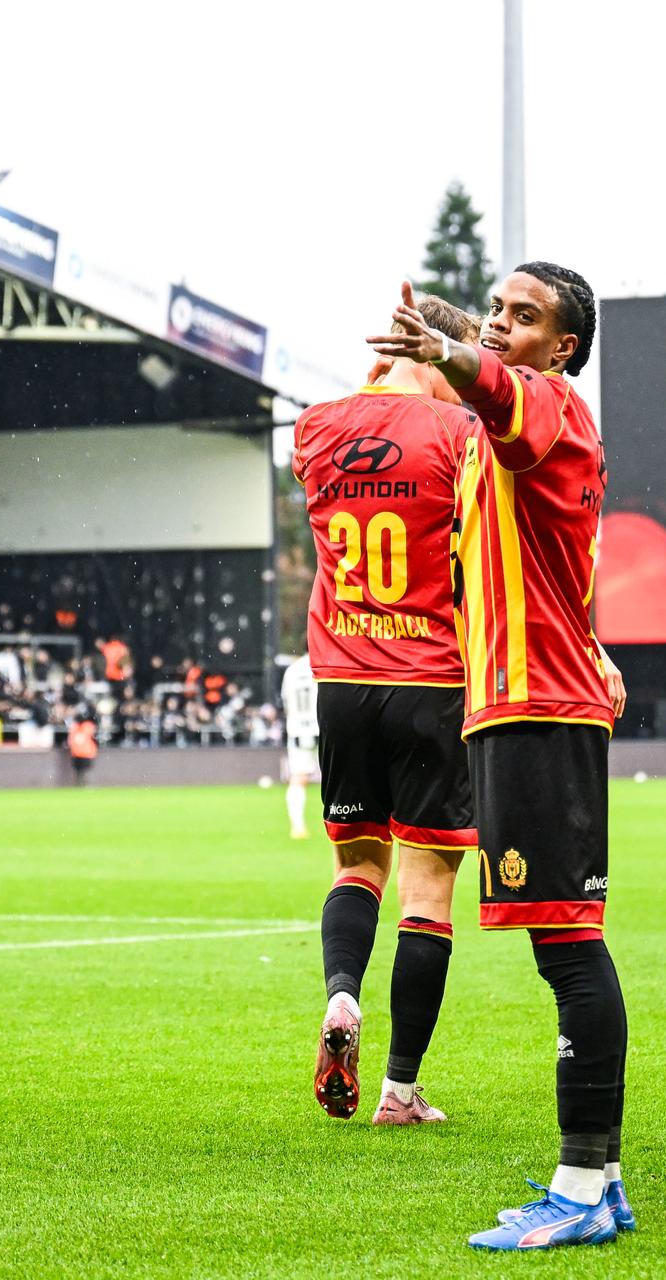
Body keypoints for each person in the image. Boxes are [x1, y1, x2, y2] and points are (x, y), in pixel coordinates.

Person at [369, 266, 628, 1249]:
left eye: (527, 316)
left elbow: (489, 380)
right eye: (497, 311)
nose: (503, 326)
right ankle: (597, 1174)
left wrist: (446, 348)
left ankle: (582, 1181)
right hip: (524, 705)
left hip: (538, 708)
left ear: (563, 346)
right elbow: (478, 368)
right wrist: (437, 326)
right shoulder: (516, 416)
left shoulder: (547, 403)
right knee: (565, 941)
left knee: (568, 944)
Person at [295, 294, 482, 1128]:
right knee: (429, 891)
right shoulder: (460, 437)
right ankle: (400, 1091)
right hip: (432, 678)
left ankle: (343, 999)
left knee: (355, 867)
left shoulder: (315, 428)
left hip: (342, 679)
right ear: (440, 357)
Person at [280, 654, 320, 841]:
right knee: (339, 777)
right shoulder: (321, 663)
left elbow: (286, 703)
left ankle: (297, 826)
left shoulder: (292, 670)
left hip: (297, 730)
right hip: (322, 728)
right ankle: (345, 821)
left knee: (298, 779)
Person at [66, 708, 97, 784]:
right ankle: (81, 784)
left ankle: (84, 784)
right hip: (81, 753)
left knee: (82, 771)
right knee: (80, 771)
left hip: (84, 753)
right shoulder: (86, 726)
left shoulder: (86, 726)